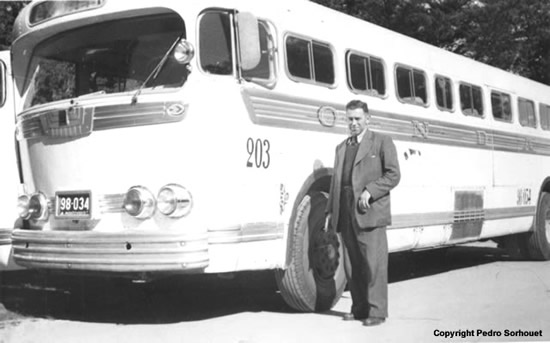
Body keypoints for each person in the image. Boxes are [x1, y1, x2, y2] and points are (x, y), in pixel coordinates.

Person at [325, 99, 400, 327]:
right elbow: (336, 182)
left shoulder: (381, 142)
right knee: (352, 263)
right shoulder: (341, 148)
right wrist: (331, 211)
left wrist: (370, 191)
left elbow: (393, 175)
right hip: (345, 210)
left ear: (368, 118)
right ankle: (359, 308)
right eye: (350, 119)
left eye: (358, 119)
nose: (354, 123)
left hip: (369, 210)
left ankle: (377, 312)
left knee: (373, 264)